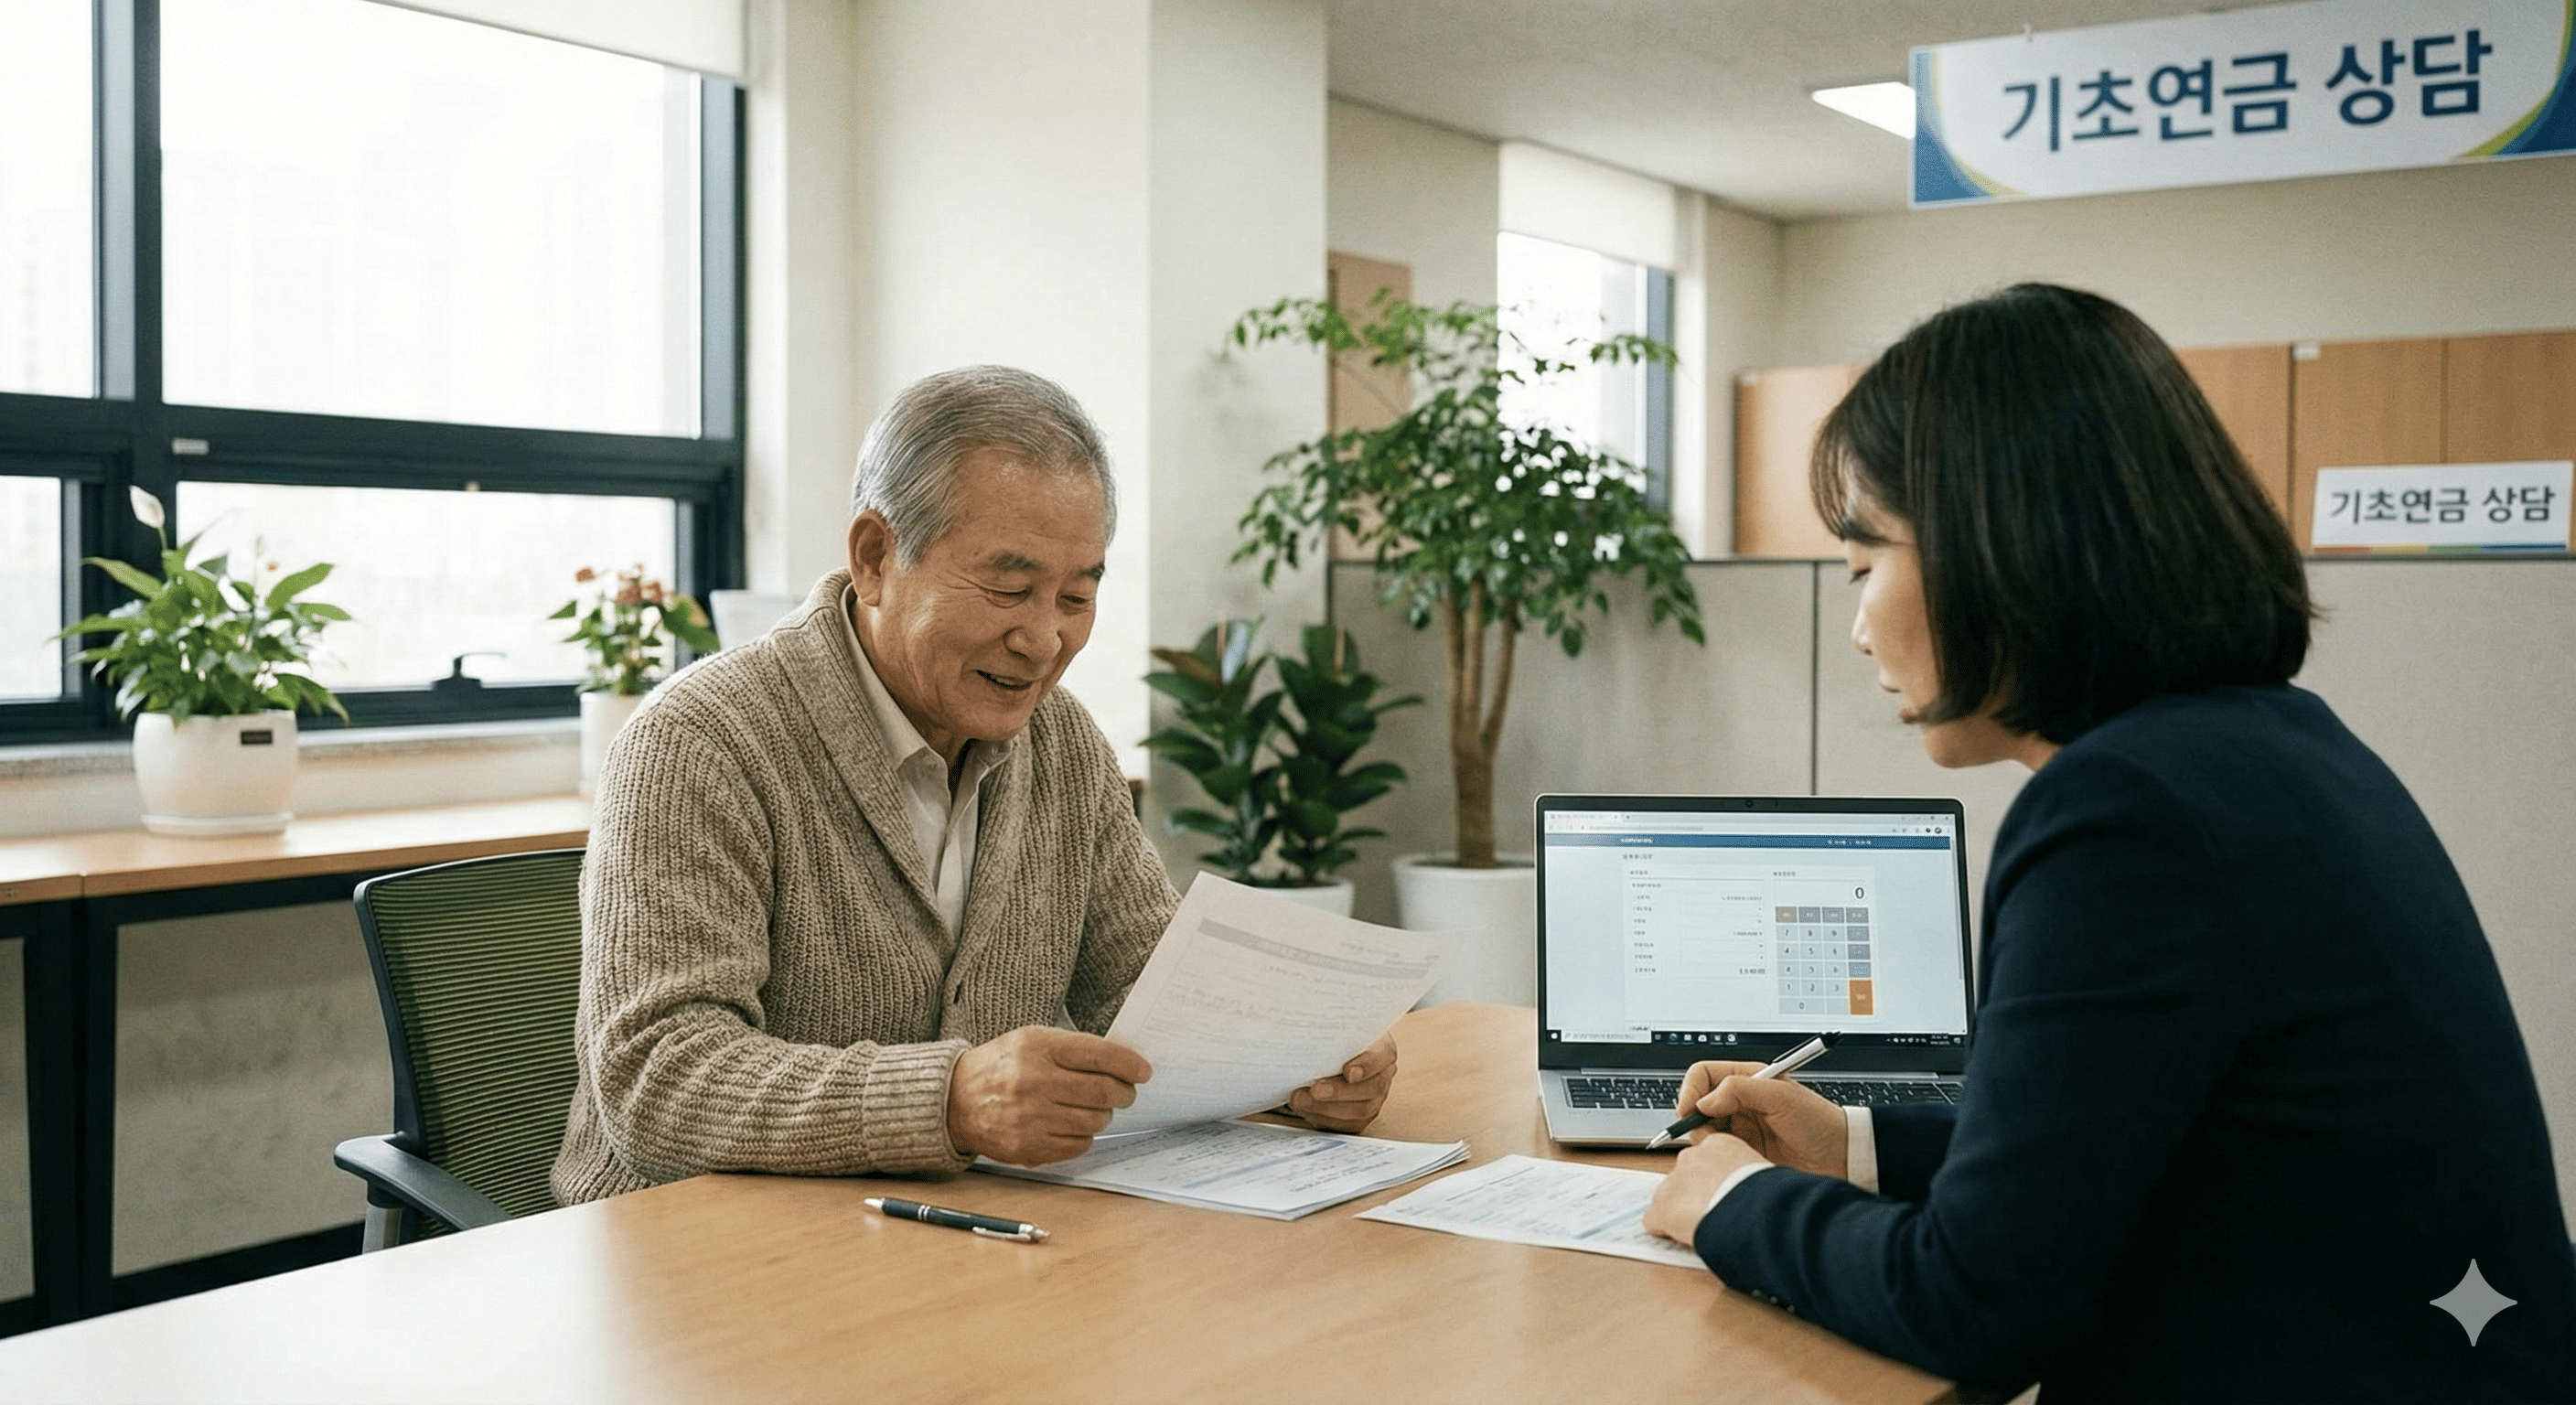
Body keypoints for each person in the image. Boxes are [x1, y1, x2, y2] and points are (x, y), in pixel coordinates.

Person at [1640, 284, 2576, 1402]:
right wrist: (1849, 1145)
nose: (1853, 628)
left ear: (1998, 546)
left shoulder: (2123, 814)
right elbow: (2127, 1153)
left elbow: (1977, 1307)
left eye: (1861, 565)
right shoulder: (2270, 746)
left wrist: (1732, 1205)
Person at [553, 365, 1394, 1204]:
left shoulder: (1060, 742)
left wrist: (1305, 1058)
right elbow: (657, 1078)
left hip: (935, 1237)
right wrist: (948, 1102)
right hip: (688, 1258)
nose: (1044, 639)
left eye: (1075, 595)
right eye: (1009, 588)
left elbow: (1150, 990)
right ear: (876, 557)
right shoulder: (698, 743)